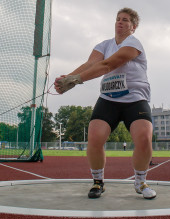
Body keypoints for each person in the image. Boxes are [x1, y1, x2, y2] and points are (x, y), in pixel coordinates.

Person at [54, 8, 156, 199]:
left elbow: (108, 65)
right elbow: (91, 64)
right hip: (108, 99)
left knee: (143, 138)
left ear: (133, 27)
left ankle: (141, 182)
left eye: (125, 20)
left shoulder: (133, 43)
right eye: (118, 19)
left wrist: (76, 80)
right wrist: (67, 79)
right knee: (94, 138)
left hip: (135, 99)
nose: (120, 22)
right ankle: (98, 182)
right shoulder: (103, 45)